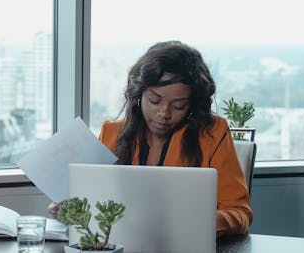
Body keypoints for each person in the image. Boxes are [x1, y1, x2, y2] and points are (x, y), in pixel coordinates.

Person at [98, 40, 252, 237]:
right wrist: (71, 210)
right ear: (138, 95)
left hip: (187, 249)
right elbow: (93, 200)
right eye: (154, 101)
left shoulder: (212, 134)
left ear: (192, 106)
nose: (164, 113)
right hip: (121, 249)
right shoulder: (110, 134)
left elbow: (240, 213)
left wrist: (206, 222)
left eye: (178, 106)